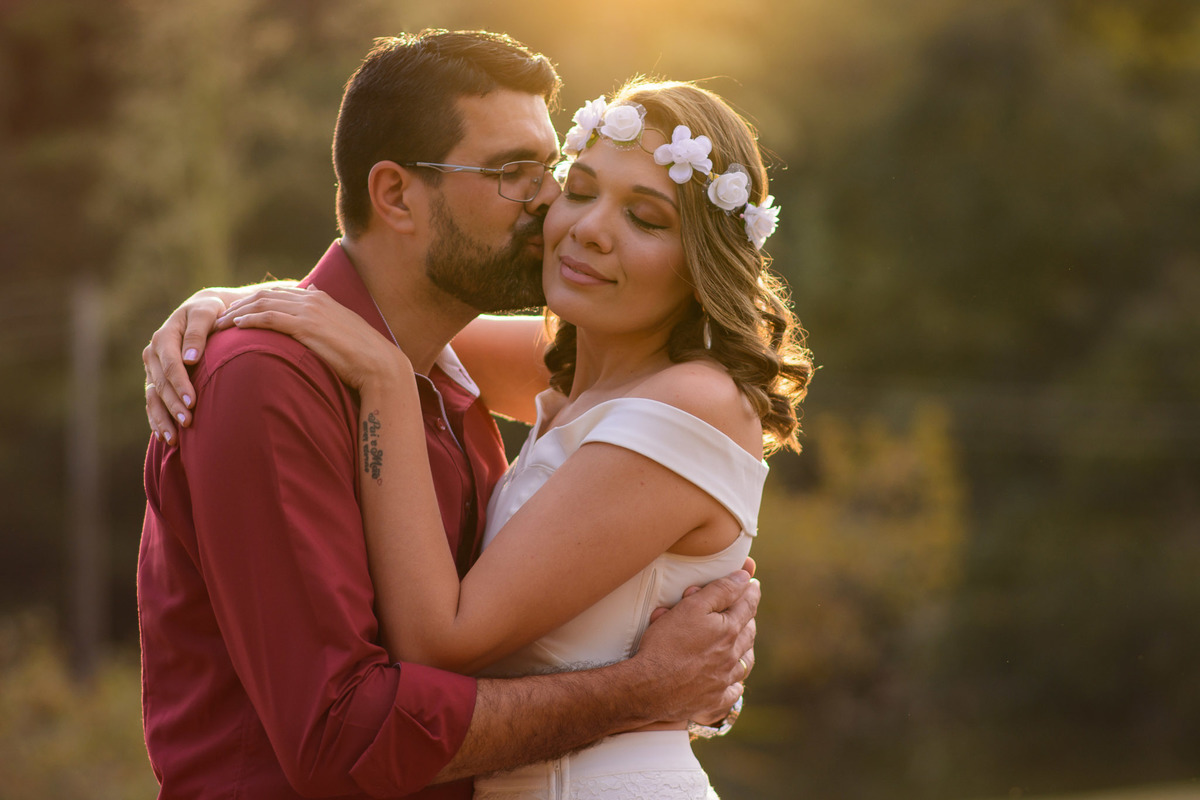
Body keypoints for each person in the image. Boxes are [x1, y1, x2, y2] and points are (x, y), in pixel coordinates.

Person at [137, 31, 761, 800]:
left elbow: (441, 643)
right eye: (519, 175)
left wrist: (373, 369)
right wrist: (230, 308)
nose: (552, 208)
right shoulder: (281, 380)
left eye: (546, 171)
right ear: (396, 194)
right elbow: (343, 736)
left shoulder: (446, 374)